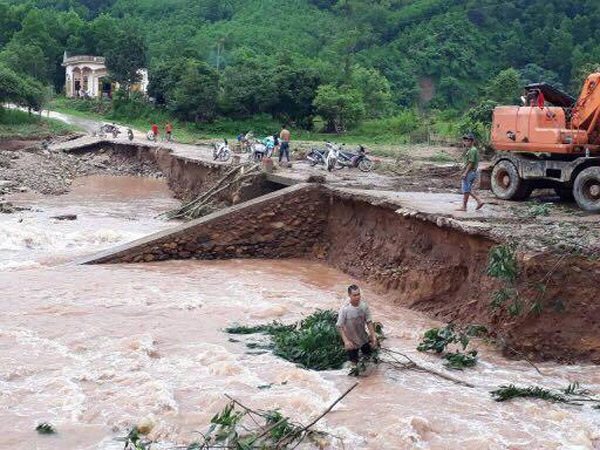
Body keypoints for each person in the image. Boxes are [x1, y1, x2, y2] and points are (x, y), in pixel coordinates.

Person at [337, 285, 378, 365]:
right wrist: (346, 341)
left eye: (358, 294)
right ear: (349, 295)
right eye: (355, 295)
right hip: (351, 342)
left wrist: (373, 336)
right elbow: (339, 326)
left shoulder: (364, 306)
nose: (357, 297)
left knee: (370, 361)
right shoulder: (345, 309)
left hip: (363, 339)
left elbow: (369, 322)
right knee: (354, 366)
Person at [457, 134, 484, 212]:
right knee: (468, 189)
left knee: (466, 189)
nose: (466, 142)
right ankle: (465, 206)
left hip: (470, 172)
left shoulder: (472, 150)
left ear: (472, 141)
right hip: (471, 172)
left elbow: (471, 162)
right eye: (465, 141)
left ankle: (478, 201)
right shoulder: (470, 150)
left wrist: (465, 173)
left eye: (468, 141)